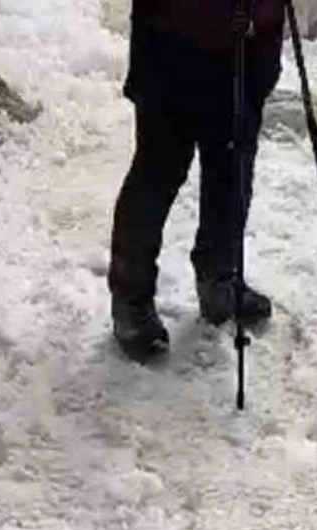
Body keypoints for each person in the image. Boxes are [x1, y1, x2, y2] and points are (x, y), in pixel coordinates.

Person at [108, 0, 286, 363]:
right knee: (158, 171)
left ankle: (219, 279)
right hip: (174, 45)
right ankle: (130, 298)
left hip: (247, 47)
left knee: (232, 173)